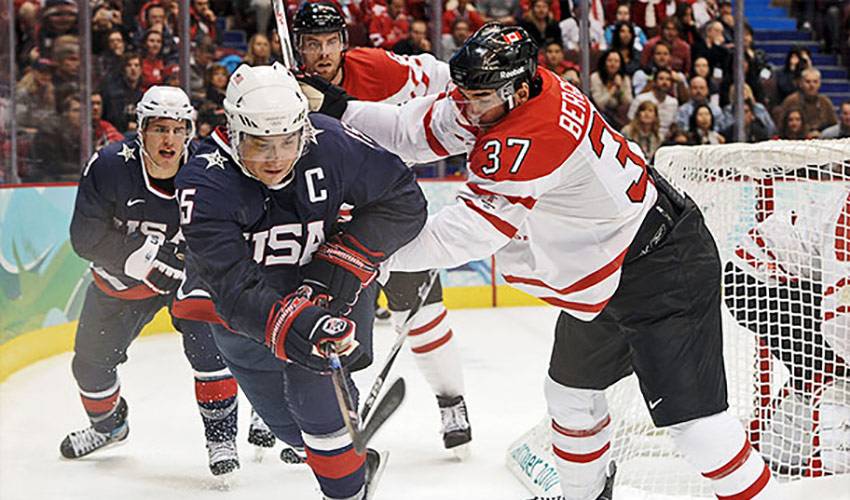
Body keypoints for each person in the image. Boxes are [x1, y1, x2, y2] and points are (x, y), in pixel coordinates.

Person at [301, 23, 782, 499]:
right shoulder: (506, 92)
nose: (467, 107)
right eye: (465, 95)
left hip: (663, 267)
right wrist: (337, 106)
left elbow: (466, 234)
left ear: (517, 89)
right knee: (570, 398)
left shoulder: (532, 133)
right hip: (608, 271)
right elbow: (413, 132)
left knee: (698, 431)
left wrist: (362, 258)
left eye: (479, 98)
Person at [175, 62, 427, 500]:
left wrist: (343, 263)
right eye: (259, 144)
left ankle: (346, 483)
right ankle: (340, 450)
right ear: (234, 133)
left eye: (288, 141)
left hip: (329, 289)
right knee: (292, 433)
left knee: (319, 412)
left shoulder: (329, 142)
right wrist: (302, 322)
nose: (275, 159)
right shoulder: (205, 182)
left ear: (303, 130)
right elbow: (233, 286)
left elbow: (403, 201)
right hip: (248, 319)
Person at [294, 1, 473, 453]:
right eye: (312, 44)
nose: (322, 53)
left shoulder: (375, 67)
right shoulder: (283, 88)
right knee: (310, 318)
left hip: (391, 211)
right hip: (326, 221)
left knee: (424, 317)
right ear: (299, 46)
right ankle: (298, 411)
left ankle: (452, 401)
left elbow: (439, 75)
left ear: (344, 42)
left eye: (331, 42)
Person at [59, 86, 243, 478]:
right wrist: (144, 259)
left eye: (178, 129)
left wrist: (191, 263)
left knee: (209, 350)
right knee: (90, 368)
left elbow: (232, 227)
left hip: (188, 276)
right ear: (140, 129)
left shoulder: (208, 169)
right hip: (121, 282)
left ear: (189, 132)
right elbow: (85, 237)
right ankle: (109, 428)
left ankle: (222, 437)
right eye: (160, 129)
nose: (169, 139)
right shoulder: (109, 165)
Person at [724, 185, 850, 475]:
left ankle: (779, 447)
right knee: (835, 379)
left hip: (794, 279)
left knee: (817, 374)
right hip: (758, 282)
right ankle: (831, 475)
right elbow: (839, 317)